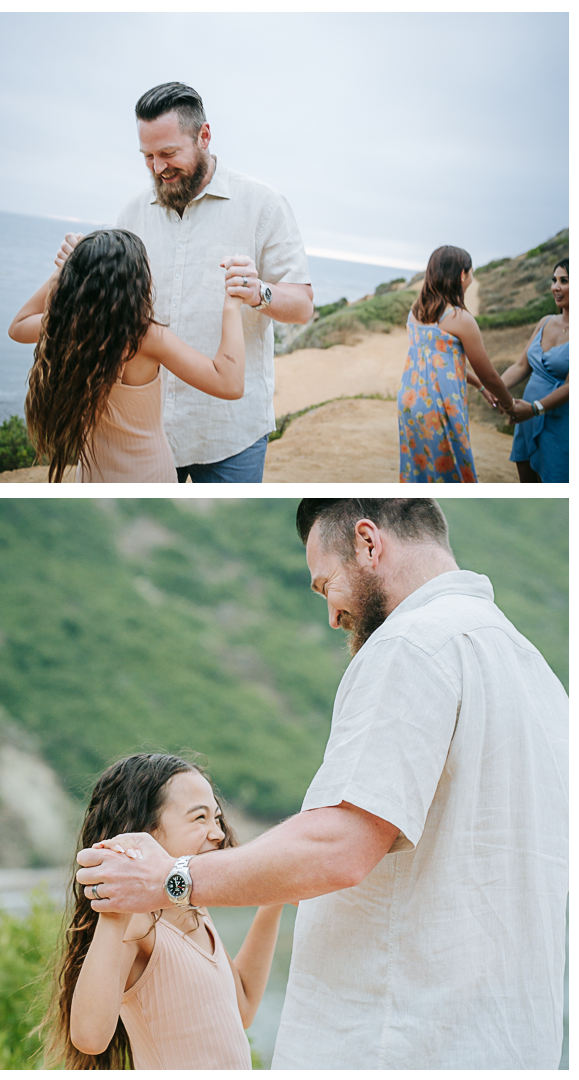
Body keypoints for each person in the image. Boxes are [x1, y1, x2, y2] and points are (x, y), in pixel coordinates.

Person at [76, 499, 568, 1069]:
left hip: (401, 1044)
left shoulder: (411, 645)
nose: (332, 615)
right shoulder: (535, 673)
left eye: (325, 584)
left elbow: (342, 846)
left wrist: (170, 879)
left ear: (368, 542)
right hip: (509, 1045)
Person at [55, 82, 314, 484]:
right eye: (148, 157)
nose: (158, 167)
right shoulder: (132, 212)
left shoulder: (263, 204)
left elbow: (302, 306)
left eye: (169, 153)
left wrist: (258, 292)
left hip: (231, 433)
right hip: (144, 433)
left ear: (204, 136)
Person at [43, 753, 284, 1069]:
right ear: (146, 832)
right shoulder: (137, 924)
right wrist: (117, 905)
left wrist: (274, 899)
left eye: (217, 818)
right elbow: (89, 1037)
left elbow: (243, 1010)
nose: (219, 833)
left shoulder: (194, 912)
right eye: (199, 818)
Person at [9, 229, 245, 483]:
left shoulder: (71, 328)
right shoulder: (145, 337)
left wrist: (66, 270)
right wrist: (232, 303)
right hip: (149, 476)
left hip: (93, 477)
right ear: (134, 282)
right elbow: (228, 383)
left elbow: (18, 326)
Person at [398, 245, 516, 483]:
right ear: (463, 275)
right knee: (452, 471)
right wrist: (509, 403)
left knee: (419, 469)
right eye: (471, 272)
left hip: (409, 402)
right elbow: (490, 375)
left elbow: (444, 367)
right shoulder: (460, 319)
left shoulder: (415, 311)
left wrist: (480, 388)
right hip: (439, 407)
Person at [499, 258, 569, 482]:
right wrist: (497, 390)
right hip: (527, 420)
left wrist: (535, 409)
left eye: (564, 281)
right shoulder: (546, 321)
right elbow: (521, 367)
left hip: (559, 425)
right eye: (554, 280)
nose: (555, 287)